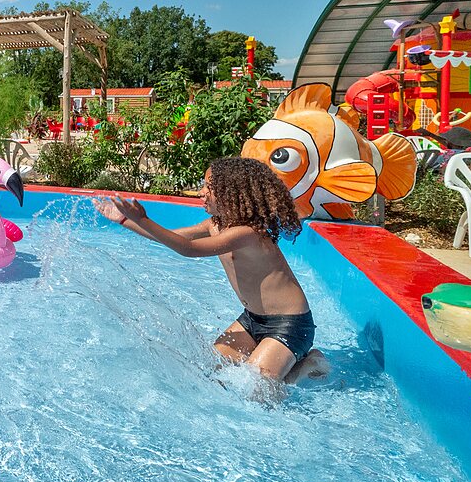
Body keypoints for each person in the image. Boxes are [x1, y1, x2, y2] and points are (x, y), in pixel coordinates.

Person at [94, 156, 327, 388]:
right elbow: (174, 237)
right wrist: (124, 220)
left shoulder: (247, 233)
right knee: (214, 373)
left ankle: (305, 364)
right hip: (252, 319)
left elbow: (189, 249)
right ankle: (284, 363)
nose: (201, 192)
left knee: (257, 391)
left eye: (209, 187)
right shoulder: (215, 225)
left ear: (231, 194)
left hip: (289, 324)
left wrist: (143, 219)